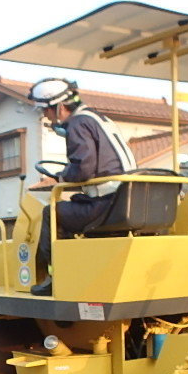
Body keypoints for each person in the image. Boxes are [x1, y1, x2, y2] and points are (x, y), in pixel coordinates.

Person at [27, 77, 134, 296]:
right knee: (74, 207)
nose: (45, 116)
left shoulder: (77, 124)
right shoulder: (99, 118)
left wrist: (63, 175)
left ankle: (57, 278)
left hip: (107, 203)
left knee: (53, 213)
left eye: (45, 111)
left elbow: (84, 169)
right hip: (123, 197)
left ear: (59, 107)